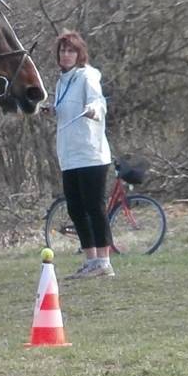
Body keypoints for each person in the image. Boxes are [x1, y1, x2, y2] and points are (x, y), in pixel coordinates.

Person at [47, 31, 114, 279]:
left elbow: (99, 103)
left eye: (71, 51)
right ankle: (90, 260)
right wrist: (51, 111)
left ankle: (104, 262)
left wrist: (93, 110)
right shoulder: (62, 81)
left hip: (91, 154)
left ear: (79, 53)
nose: (66, 55)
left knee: (94, 207)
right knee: (75, 209)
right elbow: (64, 108)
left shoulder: (87, 76)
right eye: (63, 51)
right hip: (69, 156)